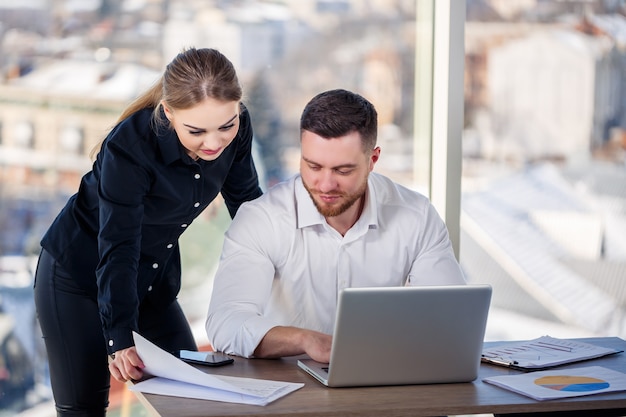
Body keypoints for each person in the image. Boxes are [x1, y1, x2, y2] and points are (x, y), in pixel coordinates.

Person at [33, 47, 263, 416]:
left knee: (194, 400)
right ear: (169, 112)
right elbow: (119, 244)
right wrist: (119, 338)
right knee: (84, 409)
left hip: (149, 282)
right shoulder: (131, 146)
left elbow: (249, 205)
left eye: (226, 125)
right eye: (196, 131)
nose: (215, 142)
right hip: (75, 279)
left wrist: (286, 266)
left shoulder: (237, 126)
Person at [205, 88, 465, 362]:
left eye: (343, 171)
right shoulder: (262, 219)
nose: (326, 185)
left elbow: (453, 321)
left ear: (372, 159)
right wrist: (306, 340)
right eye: (313, 166)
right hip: (289, 391)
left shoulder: (416, 216)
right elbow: (226, 323)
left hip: (386, 381)